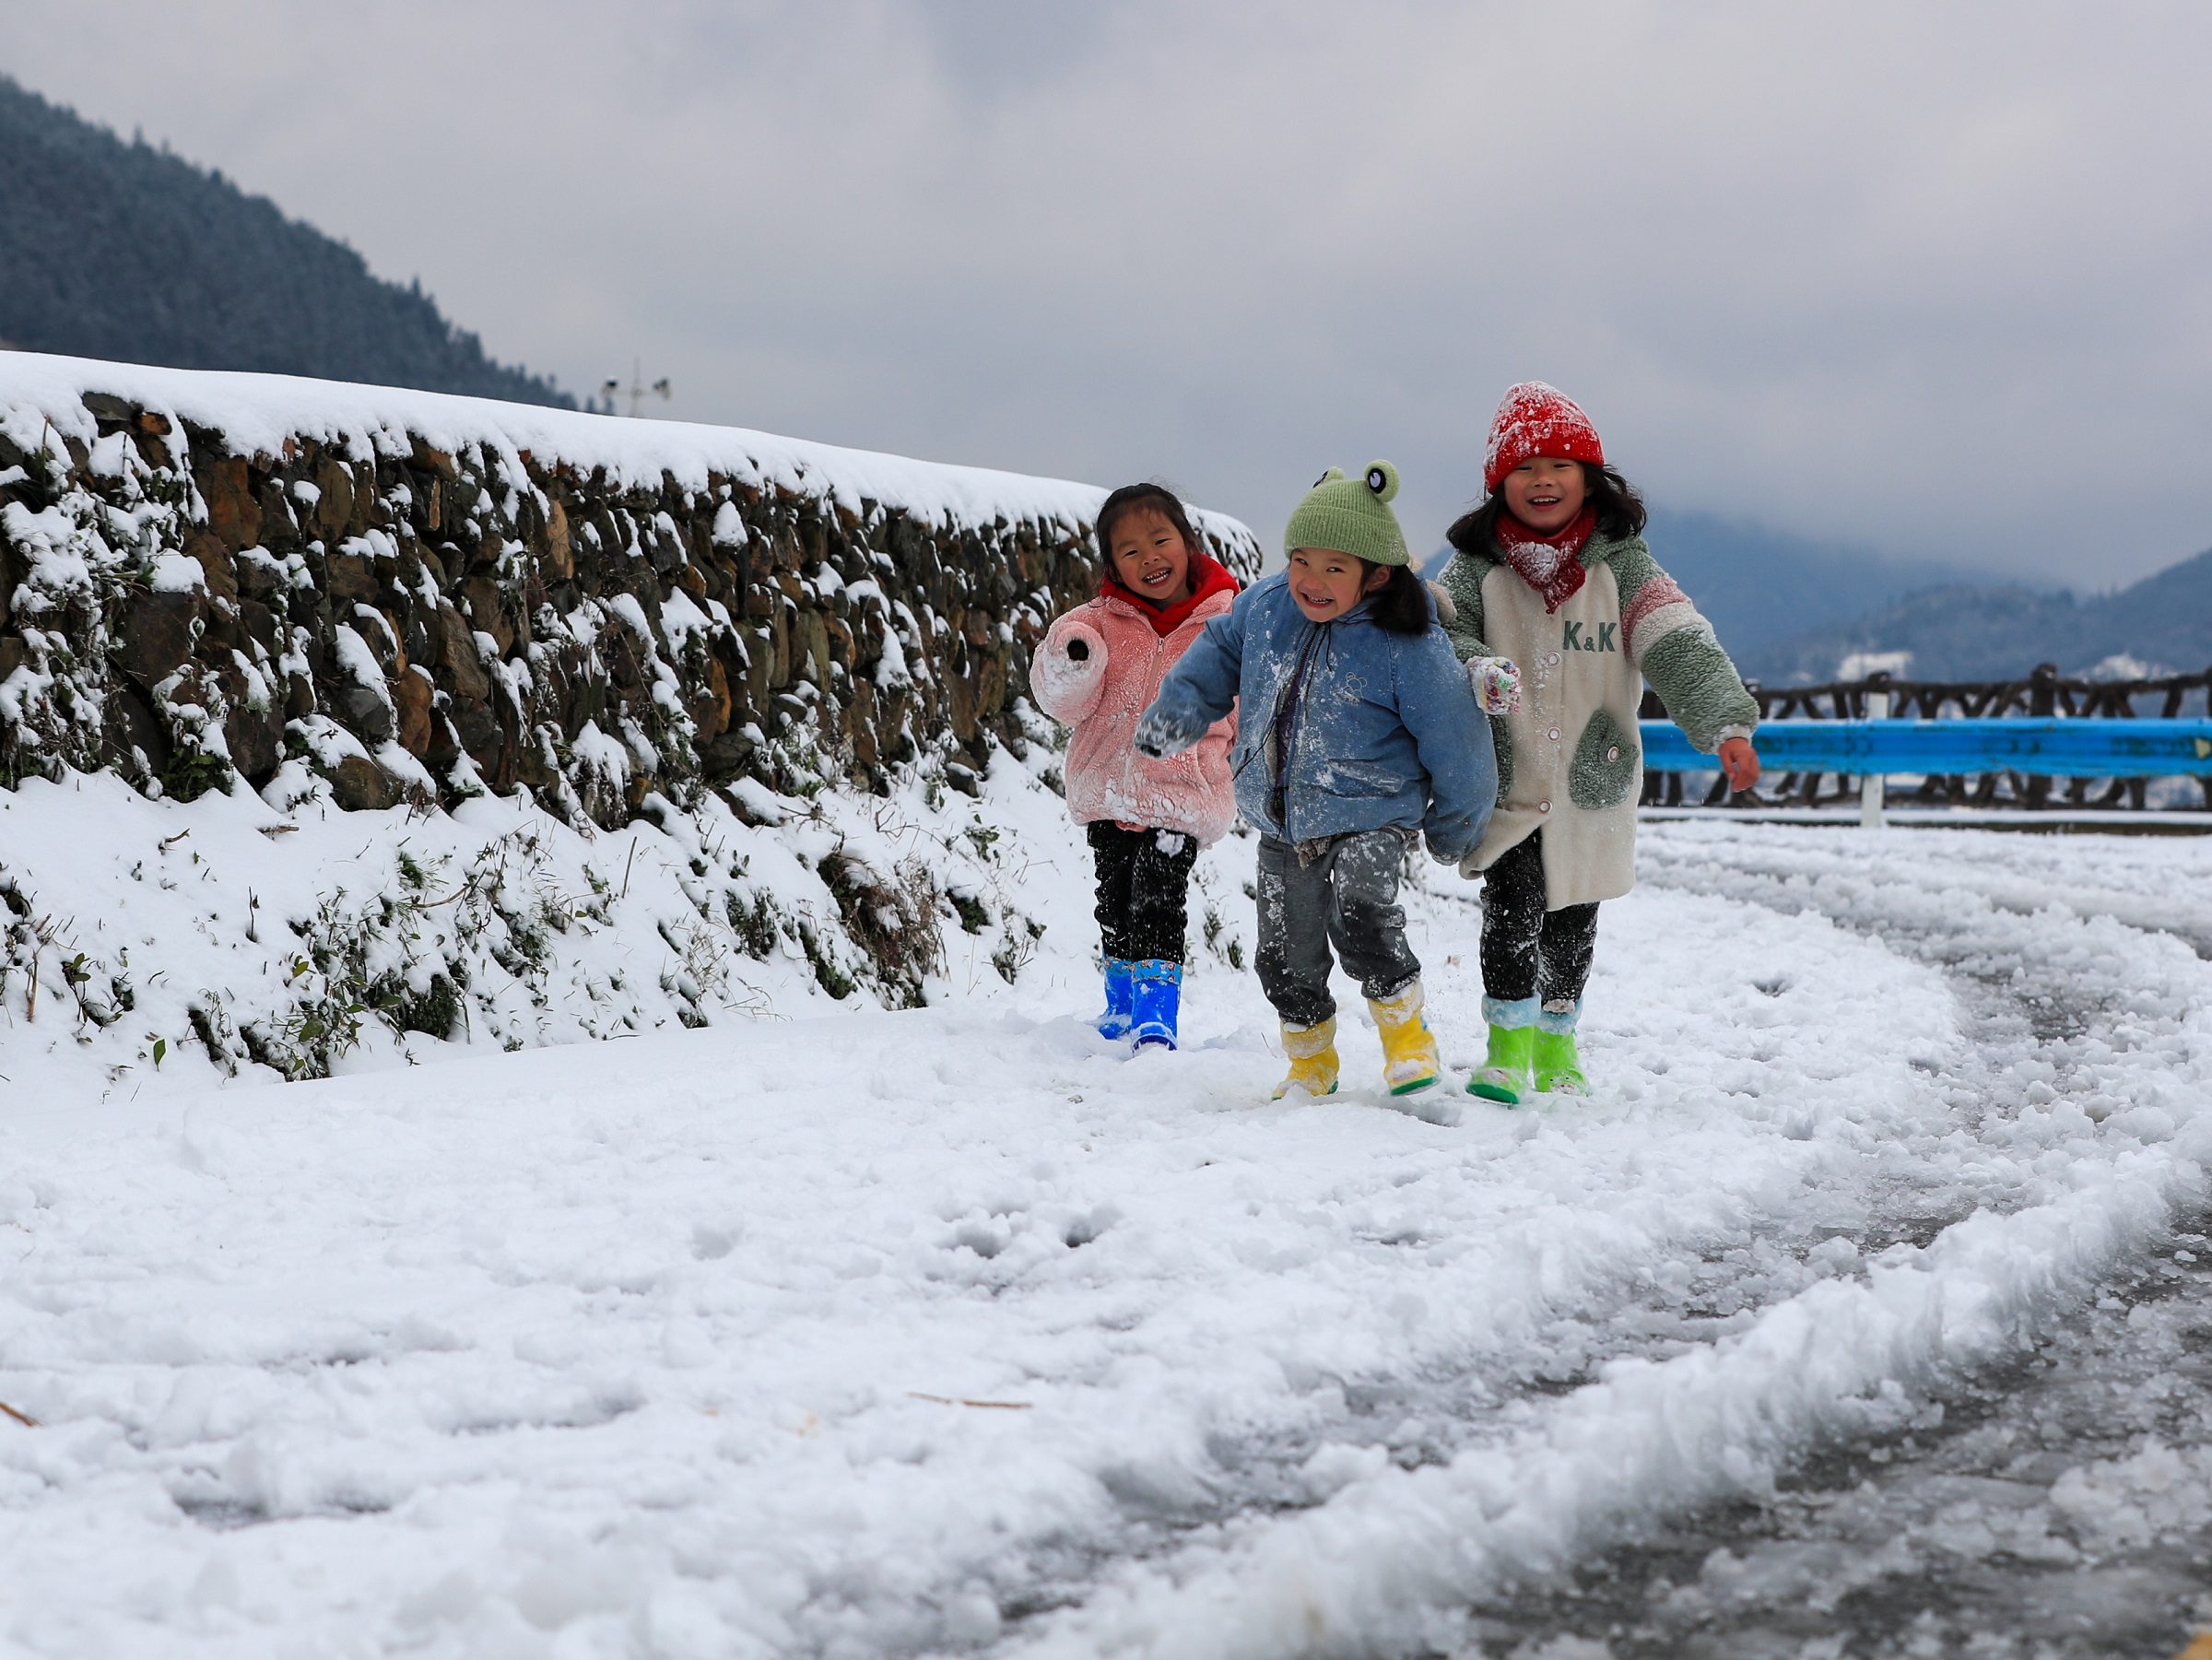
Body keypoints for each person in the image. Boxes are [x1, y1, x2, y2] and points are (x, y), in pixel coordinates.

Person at [1432, 382, 1761, 1104]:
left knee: (1573, 920)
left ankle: (1557, 1038)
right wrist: (1475, 664)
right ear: (1498, 485)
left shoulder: (1625, 566)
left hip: (1592, 781)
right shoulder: (1476, 567)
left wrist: (1724, 723)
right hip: (1512, 780)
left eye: (1560, 465)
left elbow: (1677, 643)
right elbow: (1439, 634)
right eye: (1523, 467)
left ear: (1590, 478)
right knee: (1511, 910)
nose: (1542, 480)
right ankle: (1506, 1048)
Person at [1137, 462, 1494, 1101]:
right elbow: (1214, 659)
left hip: (1372, 812)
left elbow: (1458, 737)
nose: (1312, 580)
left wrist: (1454, 826)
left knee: (1363, 913)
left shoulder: (1405, 641)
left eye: (1335, 567)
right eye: (1302, 560)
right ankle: (1311, 1063)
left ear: (1376, 573)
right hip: (1281, 819)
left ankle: (1408, 1042)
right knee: (1281, 952)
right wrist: (1177, 714)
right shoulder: (1266, 608)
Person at [1030, 483, 1241, 1049]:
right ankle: (1121, 1004)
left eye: (1160, 540)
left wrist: (1236, 761)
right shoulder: (1093, 624)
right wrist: (1073, 662)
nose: (1149, 557)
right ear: (1112, 567)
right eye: (1129, 550)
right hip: (1109, 791)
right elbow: (1060, 703)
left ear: (1188, 542)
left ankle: (1156, 1013)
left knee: (1158, 894)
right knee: (1116, 897)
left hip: (1179, 795)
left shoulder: (1226, 624)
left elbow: (1249, 707)